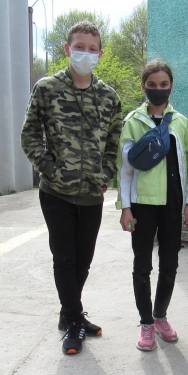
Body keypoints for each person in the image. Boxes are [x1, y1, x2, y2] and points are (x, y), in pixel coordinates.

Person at [21, 21, 123, 355]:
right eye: (80, 47)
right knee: (65, 258)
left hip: (92, 193)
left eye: (92, 49)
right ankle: (75, 322)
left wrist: (105, 172)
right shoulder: (47, 89)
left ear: (100, 53)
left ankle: (70, 314)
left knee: (84, 260)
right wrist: (49, 167)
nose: (86, 54)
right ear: (68, 49)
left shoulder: (108, 97)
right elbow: (30, 134)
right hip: (56, 192)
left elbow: (113, 141)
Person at [117, 61, 188, 351]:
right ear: (143, 86)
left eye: (164, 85)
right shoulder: (133, 122)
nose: (158, 89)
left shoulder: (181, 122)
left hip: (173, 204)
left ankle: (160, 316)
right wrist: (125, 207)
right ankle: (146, 324)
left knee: (170, 264)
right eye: (153, 84)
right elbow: (124, 170)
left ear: (171, 87)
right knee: (142, 265)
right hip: (142, 205)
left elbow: (187, 166)